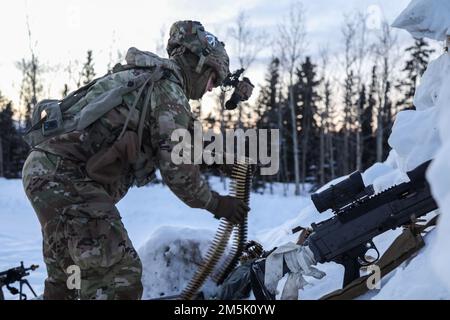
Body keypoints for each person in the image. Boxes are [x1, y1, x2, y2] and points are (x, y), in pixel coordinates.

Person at [21, 20, 253, 300]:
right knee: (120, 276)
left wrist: (221, 159)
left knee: (70, 278)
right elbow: (176, 169)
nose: (211, 88)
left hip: (47, 173)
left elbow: (181, 142)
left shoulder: (152, 80)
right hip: (66, 179)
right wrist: (216, 203)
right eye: (213, 79)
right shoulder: (168, 92)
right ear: (198, 64)